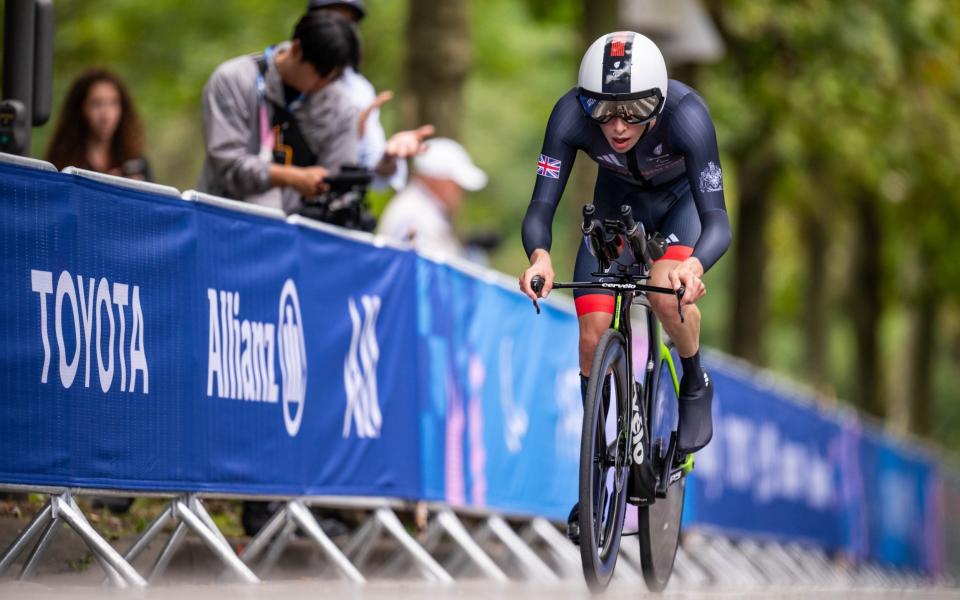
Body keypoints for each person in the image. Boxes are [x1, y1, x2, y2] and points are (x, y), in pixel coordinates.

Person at [517, 32, 731, 539]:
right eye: (604, 111)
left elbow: (718, 222)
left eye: (633, 112)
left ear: (657, 100)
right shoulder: (569, 115)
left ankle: (694, 376)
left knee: (663, 287)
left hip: (680, 208)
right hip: (616, 208)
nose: (616, 126)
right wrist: (539, 255)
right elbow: (541, 206)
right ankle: (596, 467)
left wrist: (693, 268)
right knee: (591, 331)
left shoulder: (688, 115)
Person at [197, 10, 359, 214]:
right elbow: (227, 165)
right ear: (296, 49)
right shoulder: (234, 81)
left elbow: (339, 185)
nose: (323, 85)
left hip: (297, 234)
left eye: (332, 78)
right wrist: (291, 177)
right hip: (225, 221)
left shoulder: (340, 108)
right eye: (320, 75)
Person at [306, 0, 434, 190]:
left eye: (349, 22)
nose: (340, 29)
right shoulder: (279, 72)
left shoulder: (358, 89)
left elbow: (374, 172)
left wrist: (389, 155)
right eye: (331, 18)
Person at [378, 137, 487, 256]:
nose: (461, 193)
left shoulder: (424, 208)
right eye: (456, 185)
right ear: (436, 179)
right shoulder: (415, 215)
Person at [45, 69, 152, 180]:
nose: (106, 116)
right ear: (80, 109)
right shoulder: (63, 162)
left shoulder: (137, 164)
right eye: (96, 104)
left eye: (113, 103)